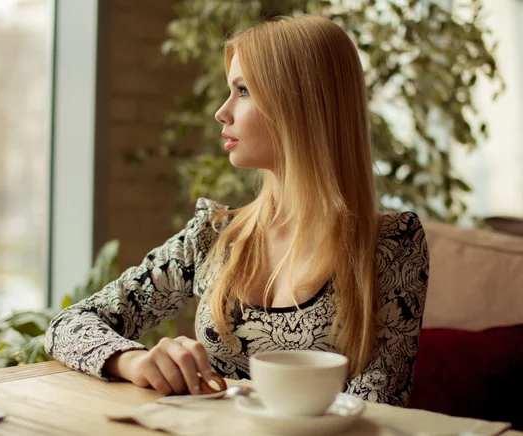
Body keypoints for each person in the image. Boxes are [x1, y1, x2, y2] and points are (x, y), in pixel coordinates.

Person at [45, 15, 429, 408]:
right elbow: (68, 325)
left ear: (299, 103)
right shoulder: (212, 234)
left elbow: (377, 404)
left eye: (242, 91)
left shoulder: (392, 244)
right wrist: (135, 361)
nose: (221, 112)